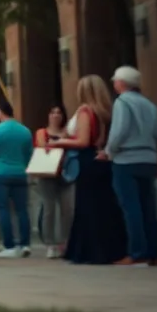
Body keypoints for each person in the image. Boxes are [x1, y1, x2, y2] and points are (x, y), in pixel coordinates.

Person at [53, 75, 128, 265]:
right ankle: (114, 250)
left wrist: (58, 142)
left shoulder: (85, 111)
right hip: (103, 161)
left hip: (87, 161)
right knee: (105, 207)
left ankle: (92, 251)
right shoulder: (106, 112)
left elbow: (82, 141)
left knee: (88, 208)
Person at [106, 66, 157, 267]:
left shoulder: (122, 102)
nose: (114, 84)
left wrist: (109, 151)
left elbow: (119, 131)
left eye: (115, 81)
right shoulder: (150, 105)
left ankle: (137, 253)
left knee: (131, 208)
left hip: (126, 160)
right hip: (148, 159)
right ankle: (152, 253)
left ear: (121, 83)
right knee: (148, 208)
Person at [0, 100, 34, 258]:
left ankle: (9, 246)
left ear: (0, 112)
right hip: (20, 173)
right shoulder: (25, 131)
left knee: (3, 209)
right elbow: (29, 155)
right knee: (22, 210)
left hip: (0, 174)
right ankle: (25, 244)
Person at [34, 103, 74, 259]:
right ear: (48, 115)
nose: (56, 115)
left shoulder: (68, 133)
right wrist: (61, 141)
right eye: (52, 112)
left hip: (66, 174)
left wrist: (63, 139)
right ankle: (50, 244)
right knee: (49, 209)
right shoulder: (41, 132)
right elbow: (43, 147)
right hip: (47, 174)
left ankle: (65, 242)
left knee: (68, 209)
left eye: (59, 112)